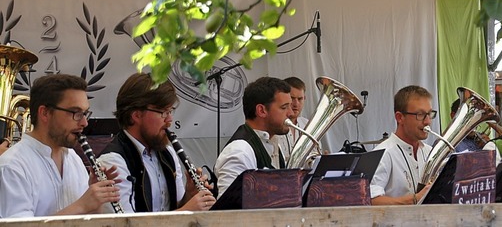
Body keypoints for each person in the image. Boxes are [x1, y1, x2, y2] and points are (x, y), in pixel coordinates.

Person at [0, 74, 120, 217]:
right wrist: (81, 205)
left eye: (85, 113)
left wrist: (96, 200)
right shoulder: (12, 166)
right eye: (75, 113)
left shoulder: (73, 159)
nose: (84, 123)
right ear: (45, 113)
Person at [97, 73, 215, 213]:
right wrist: (186, 211)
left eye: (170, 111)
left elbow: (173, 208)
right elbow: (126, 222)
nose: (169, 120)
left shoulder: (167, 153)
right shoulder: (113, 162)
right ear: (136, 115)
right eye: (163, 112)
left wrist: (189, 195)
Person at [214, 76, 293, 198]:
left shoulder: (272, 143)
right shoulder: (240, 151)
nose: (291, 113)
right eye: (284, 107)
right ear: (261, 110)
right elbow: (230, 209)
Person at [370, 85, 435, 205]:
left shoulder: (430, 152)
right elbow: (372, 200)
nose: (427, 121)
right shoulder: (383, 154)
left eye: (430, 114)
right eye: (420, 115)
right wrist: (415, 199)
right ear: (400, 118)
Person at [276, 77, 309, 161]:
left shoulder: (308, 124)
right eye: (292, 98)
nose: (296, 104)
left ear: (304, 98)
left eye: (300, 99)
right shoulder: (274, 125)